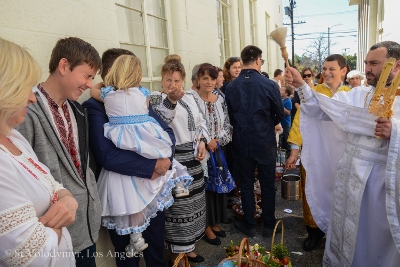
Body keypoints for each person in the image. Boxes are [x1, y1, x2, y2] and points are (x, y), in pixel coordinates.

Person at [285, 41, 400, 266]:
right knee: (348, 233)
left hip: (380, 183)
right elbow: (323, 109)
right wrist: (302, 86)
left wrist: (395, 132)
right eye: (367, 63)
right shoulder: (359, 94)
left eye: (374, 63)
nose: (367, 69)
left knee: (373, 235)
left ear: (396, 65)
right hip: (349, 175)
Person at [90, 55, 192, 256]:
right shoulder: (141, 95)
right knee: (161, 147)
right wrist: (154, 165)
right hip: (141, 154)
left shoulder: (107, 95)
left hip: (130, 150)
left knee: (154, 244)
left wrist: (163, 163)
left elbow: (169, 132)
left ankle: (137, 240)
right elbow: (107, 156)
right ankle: (178, 181)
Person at [17, 37, 102, 267]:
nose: (89, 84)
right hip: (56, 234)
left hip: (87, 225)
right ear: (64, 66)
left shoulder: (77, 110)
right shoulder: (27, 113)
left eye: (93, 78)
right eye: (87, 75)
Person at [0, 37, 78, 267]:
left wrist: (67, 199)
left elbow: (49, 181)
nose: (32, 97)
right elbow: (30, 256)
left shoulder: (13, 137)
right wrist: (58, 222)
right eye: (25, 88)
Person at [285, 54, 351, 252]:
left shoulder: (351, 95)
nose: (327, 72)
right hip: (316, 154)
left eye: (332, 69)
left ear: (344, 71)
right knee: (313, 190)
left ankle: (337, 233)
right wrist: (294, 150)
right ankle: (314, 232)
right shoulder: (313, 93)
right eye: (324, 68)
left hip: (340, 156)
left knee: (339, 195)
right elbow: (300, 121)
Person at [149, 57, 209, 266]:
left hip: (194, 159)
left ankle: (189, 248)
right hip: (175, 162)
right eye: (168, 80)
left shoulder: (191, 97)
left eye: (176, 80)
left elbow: (202, 122)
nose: (172, 85)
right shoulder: (156, 99)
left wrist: (202, 141)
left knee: (194, 206)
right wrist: (171, 100)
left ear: (182, 80)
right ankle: (176, 254)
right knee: (178, 207)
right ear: (162, 80)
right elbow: (161, 121)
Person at [225, 45, 284, 238]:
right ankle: (268, 225)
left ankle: (249, 224)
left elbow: (230, 117)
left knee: (247, 183)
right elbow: (278, 115)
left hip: (242, 140)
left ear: (242, 61)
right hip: (264, 141)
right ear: (258, 61)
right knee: (267, 184)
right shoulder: (269, 85)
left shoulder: (232, 86)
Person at [192, 63, 233, 246]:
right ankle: (206, 227)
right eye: (205, 78)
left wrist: (217, 141)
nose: (209, 82)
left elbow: (227, 125)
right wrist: (206, 141)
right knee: (205, 190)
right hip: (201, 152)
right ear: (198, 80)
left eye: (213, 78)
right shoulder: (192, 99)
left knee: (218, 189)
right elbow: (191, 125)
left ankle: (215, 221)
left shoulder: (220, 99)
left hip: (217, 148)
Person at [279, 84, 293, 154]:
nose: (280, 91)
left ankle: (289, 153)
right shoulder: (282, 100)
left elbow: (288, 112)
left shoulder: (288, 101)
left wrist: (281, 107)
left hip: (286, 123)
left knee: (286, 139)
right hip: (281, 123)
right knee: (282, 140)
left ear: (286, 93)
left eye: (282, 90)